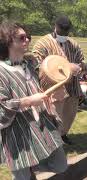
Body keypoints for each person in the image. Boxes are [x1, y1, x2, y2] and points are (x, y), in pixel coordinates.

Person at [0, 22, 67, 180]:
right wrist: (29, 100)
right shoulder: (1, 70)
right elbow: (2, 106)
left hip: (41, 125)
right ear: (7, 41)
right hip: (16, 133)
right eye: (21, 38)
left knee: (60, 164)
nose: (27, 40)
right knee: (22, 178)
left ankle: (31, 168)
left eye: (28, 37)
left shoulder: (29, 64)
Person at [33, 16, 84, 145]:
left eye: (66, 33)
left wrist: (78, 67)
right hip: (54, 88)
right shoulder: (43, 43)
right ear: (55, 27)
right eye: (62, 32)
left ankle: (63, 134)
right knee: (55, 115)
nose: (64, 35)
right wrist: (65, 67)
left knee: (69, 114)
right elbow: (36, 65)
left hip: (72, 86)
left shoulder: (73, 44)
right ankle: (52, 140)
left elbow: (81, 62)